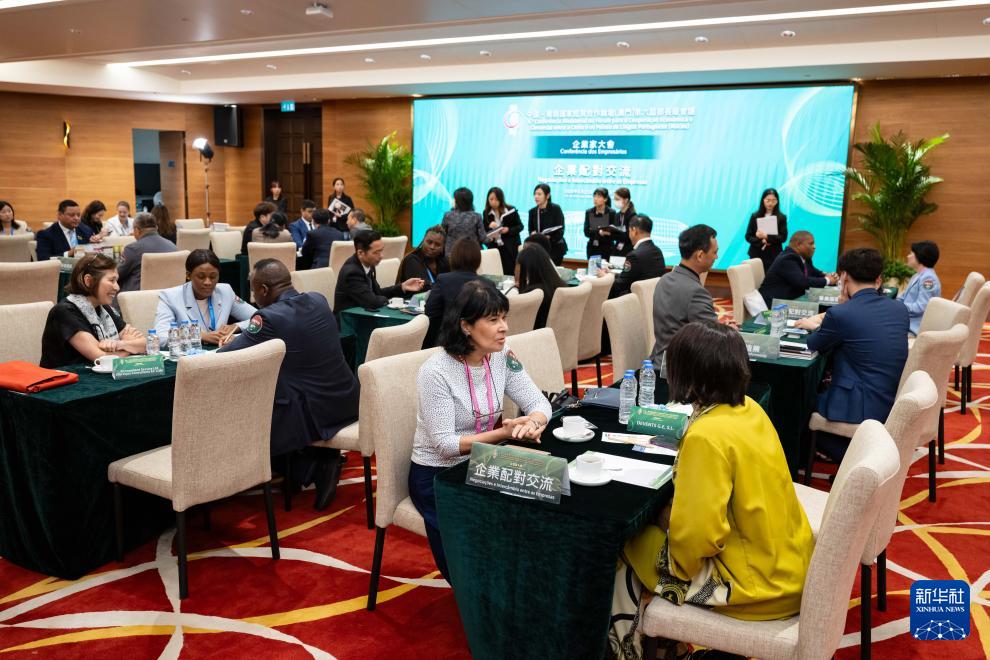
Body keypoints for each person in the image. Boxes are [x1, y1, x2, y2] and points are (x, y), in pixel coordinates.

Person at [611, 321, 813, 658]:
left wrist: (666, 531)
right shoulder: (751, 409)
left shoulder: (706, 436)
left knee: (618, 543)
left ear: (686, 375)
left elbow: (698, 539)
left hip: (751, 588)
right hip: (789, 566)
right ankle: (666, 647)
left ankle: (630, 650)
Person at [409, 279, 552, 580]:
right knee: (490, 520)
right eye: (493, 320)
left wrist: (533, 423)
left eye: (504, 318)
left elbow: (539, 402)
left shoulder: (501, 355)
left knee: (548, 488)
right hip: (438, 473)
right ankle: (479, 590)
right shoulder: (436, 371)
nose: (504, 328)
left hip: (483, 460)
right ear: (466, 326)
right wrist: (503, 434)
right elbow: (446, 445)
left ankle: (525, 581)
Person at [219, 259, 359, 510]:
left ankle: (311, 467)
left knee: (245, 417)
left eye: (253, 291)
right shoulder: (318, 299)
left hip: (312, 412)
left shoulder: (267, 318)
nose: (253, 298)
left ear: (263, 290)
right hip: (346, 400)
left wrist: (227, 344)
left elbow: (227, 357)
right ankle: (318, 460)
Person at [797, 248, 909, 461]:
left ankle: (812, 456)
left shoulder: (841, 313)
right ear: (878, 279)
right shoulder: (899, 309)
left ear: (844, 277)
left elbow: (814, 344)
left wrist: (823, 320)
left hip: (858, 406)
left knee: (797, 400)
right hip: (891, 400)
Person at [40, 254, 146, 368]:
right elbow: (102, 359)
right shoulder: (65, 312)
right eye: (112, 280)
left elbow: (145, 344)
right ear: (88, 281)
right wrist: (131, 347)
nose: (117, 287)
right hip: (66, 377)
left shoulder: (104, 308)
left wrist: (122, 344)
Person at [649, 224, 719, 366]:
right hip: (682, 369)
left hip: (659, 361)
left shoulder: (664, 279)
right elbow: (714, 340)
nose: (716, 257)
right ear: (700, 255)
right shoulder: (696, 292)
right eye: (714, 252)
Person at [156, 249, 257, 346]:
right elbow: (160, 337)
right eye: (201, 277)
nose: (208, 282)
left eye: (213, 277)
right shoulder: (170, 297)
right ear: (188, 275)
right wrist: (200, 336)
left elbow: (259, 318)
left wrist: (235, 326)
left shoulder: (225, 291)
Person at [333, 229, 425, 312]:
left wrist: (403, 287)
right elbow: (372, 302)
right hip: (348, 321)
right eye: (376, 252)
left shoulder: (368, 265)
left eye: (381, 251)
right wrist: (392, 301)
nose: (381, 256)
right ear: (360, 253)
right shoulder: (352, 273)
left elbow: (377, 293)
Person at [424, 238, 483, 348]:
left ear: (454, 257)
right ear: (478, 260)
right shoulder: (488, 284)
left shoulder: (444, 280)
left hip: (448, 344)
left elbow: (430, 311)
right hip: (480, 343)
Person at [758, 230, 838, 306]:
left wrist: (827, 275)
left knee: (831, 304)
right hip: (775, 304)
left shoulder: (804, 257)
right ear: (798, 244)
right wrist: (828, 280)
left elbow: (813, 272)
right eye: (811, 244)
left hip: (791, 299)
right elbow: (802, 282)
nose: (814, 247)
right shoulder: (787, 258)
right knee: (825, 307)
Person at [599, 215, 665, 299]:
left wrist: (606, 277)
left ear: (634, 231)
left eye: (629, 231)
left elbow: (619, 286)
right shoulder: (658, 251)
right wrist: (612, 275)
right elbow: (631, 277)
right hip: (653, 300)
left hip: (635, 301)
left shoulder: (634, 255)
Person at [116, 212, 178, 292]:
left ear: (137, 230)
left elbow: (117, 274)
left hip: (136, 296)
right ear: (156, 228)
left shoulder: (132, 249)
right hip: (168, 294)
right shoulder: (172, 246)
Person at [516, 243, 566, 329]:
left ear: (529, 268)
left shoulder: (534, 293)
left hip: (536, 334)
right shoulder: (558, 284)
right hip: (555, 332)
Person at [35, 199, 102, 262]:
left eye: (78, 215)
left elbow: (92, 252)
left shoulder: (86, 230)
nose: (76, 218)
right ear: (59, 215)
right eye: (71, 215)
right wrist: (69, 253)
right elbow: (43, 259)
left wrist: (94, 245)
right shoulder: (46, 235)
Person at [898, 240, 941, 336]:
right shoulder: (917, 275)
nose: (908, 256)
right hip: (905, 323)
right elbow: (903, 297)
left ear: (919, 256)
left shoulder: (928, 279)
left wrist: (899, 306)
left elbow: (922, 307)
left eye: (911, 253)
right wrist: (892, 303)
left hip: (914, 329)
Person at [744, 188, 789, 273]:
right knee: (756, 277)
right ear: (763, 200)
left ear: (777, 201)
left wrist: (767, 237)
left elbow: (783, 237)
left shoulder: (781, 217)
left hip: (774, 255)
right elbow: (748, 236)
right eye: (768, 200)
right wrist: (760, 240)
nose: (770, 203)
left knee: (771, 277)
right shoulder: (755, 216)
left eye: (773, 200)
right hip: (756, 254)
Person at [483, 186, 523, 276]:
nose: (493, 202)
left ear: (501, 199)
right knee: (495, 272)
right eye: (491, 199)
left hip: (509, 247)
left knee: (509, 272)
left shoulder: (510, 210)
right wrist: (490, 227)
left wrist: (508, 230)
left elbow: (520, 226)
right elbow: (485, 231)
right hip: (495, 246)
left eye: (496, 199)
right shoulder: (486, 212)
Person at [528, 183, 567, 265]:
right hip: (539, 248)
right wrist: (533, 234)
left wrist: (548, 238)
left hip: (555, 248)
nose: (536, 197)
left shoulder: (556, 209)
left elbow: (560, 229)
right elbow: (530, 229)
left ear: (547, 196)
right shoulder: (532, 211)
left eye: (539, 194)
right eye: (535, 194)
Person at [399, 224, 448, 290]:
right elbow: (423, 287)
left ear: (443, 247)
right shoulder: (411, 259)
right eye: (429, 242)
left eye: (437, 244)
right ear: (423, 241)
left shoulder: (444, 262)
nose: (432, 247)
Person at [441, 187, 486, 257]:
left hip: (452, 255)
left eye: (454, 199)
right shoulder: (477, 216)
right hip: (472, 255)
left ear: (458, 201)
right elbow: (483, 238)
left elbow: (442, 235)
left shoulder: (447, 215)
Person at [583, 187, 617, 260]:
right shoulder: (589, 212)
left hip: (607, 248)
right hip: (592, 248)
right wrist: (599, 232)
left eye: (599, 196)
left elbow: (613, 232)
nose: (595, 199)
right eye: (594, 196)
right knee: (593, 267)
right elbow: (586, 232)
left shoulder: (611, 213)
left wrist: (597, 230)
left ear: (605, 199)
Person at [610, 187, 636, 257]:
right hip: (617, 250)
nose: (615, 201)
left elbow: (628, 236)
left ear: (626, 200)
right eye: (614, 199)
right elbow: (615, 234)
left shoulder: (632, 216)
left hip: (628, 250)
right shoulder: (617, 215)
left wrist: (613, 234)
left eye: (617, 199)